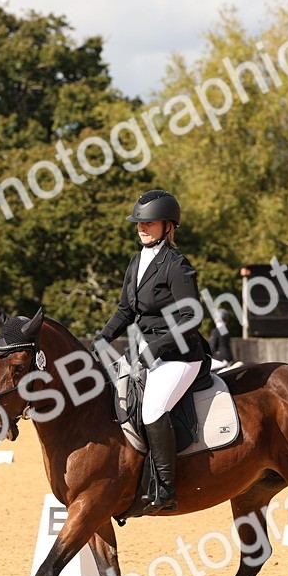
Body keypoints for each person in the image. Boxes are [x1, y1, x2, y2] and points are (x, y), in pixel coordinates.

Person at [93, 189, 203, 512]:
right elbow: (125, 310)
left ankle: (167, 488)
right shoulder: (136, 262)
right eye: (139, 223)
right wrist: (102, 337)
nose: (142, 228)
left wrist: (155, 346)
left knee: (152, 409)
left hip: (179, 355)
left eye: (149, 223)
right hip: (142, 352)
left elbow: (190, 318)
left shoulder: (177, 265)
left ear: (168, 226)